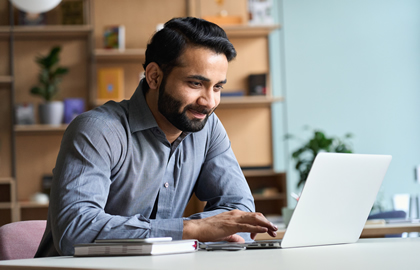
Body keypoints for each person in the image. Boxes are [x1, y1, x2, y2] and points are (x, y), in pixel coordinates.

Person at [35, 17, 277, 257]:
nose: (209, 102)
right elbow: (75, 231)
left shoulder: (208, 127)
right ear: (154, 77)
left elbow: (240, 210)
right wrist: (191, 229)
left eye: (217, 87)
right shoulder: (97, 130)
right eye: (195, 83)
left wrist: (204, 230)